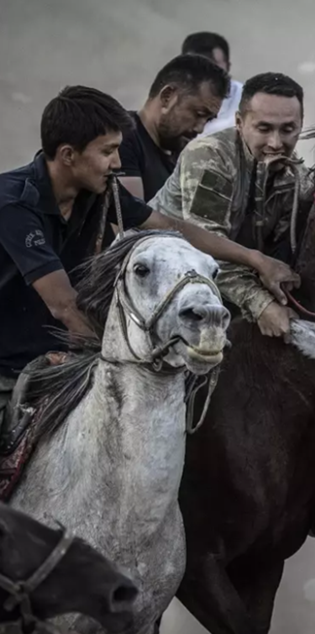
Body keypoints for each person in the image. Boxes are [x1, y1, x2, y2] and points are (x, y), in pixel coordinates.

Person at [0, 86, 299, 410]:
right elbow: (65, 307)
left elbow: (175, 228)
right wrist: (123, 360)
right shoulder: (13, 205)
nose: (117, 163)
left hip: (60, 356)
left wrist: (255, 259)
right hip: (8, 368)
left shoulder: (99, 191)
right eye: (107, 151)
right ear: (68, 155)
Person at [149, 72, 309, 339]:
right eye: (264, 128)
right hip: (156, 277)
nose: (276, 143)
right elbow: (203, 247)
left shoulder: (296, 177)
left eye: (288, 129)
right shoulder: (211, 157)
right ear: (239, 122)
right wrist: (261, 305)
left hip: (218, 289)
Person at [119, 54, 230, 201]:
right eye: (198, 114)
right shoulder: (121, 139)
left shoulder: (181, 154)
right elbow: (130, 220)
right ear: (167, 97)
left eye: (208, 120)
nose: (200, 129)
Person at [182, 31, 244, 137]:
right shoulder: (172, 100)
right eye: (195, 66)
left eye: (212, 66)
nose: (205, 73)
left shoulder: (248, 101)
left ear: (228, 66)